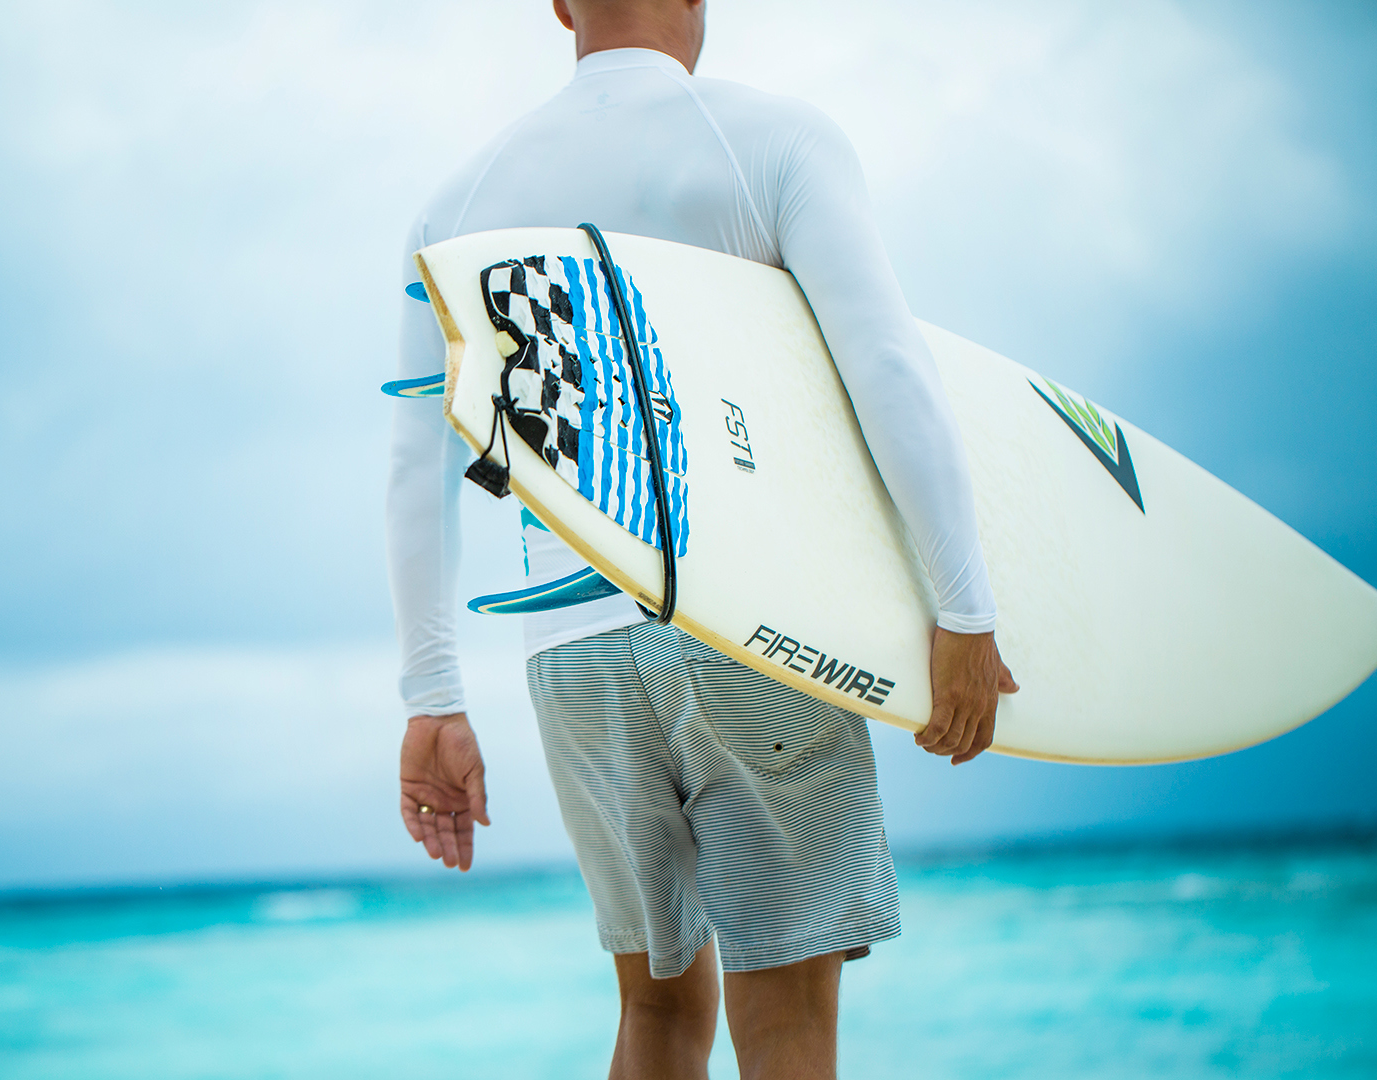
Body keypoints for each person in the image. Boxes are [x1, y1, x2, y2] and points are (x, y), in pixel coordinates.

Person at [387, 3, 1017, 1077]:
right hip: (748, 623)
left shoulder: (459, 201)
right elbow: (886, 369)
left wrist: (432, 700)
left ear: (560, 4)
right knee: (786, 1029)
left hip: (573, 653)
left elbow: (417, 467)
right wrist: (964, 609)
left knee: (658, 1017)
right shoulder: (771, 140)